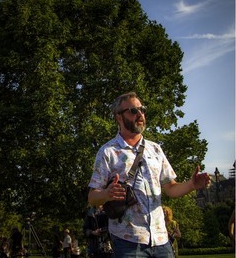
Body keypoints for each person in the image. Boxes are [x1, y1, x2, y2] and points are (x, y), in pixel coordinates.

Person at [87, 92, 211, 258]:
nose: (140, 114)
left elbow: (171, 188)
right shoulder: (107, 152)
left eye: (142, 109)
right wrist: (106, 194)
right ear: (119, 117)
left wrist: (191, 184)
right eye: (133, 110)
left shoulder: (155, 149)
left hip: (161, 239)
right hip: (127, 241)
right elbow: (92, 197)